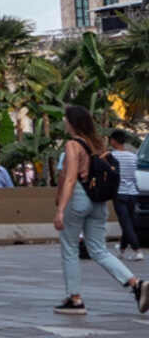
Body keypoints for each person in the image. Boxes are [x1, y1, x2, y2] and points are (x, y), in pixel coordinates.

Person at [53, 105, 149, 315]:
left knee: (69, 247)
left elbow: (70, 178)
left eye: (66, 119)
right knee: (98, 249)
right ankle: (135, 283)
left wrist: (60, 209)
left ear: (72, 122)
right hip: (98, 201)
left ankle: (75, 299)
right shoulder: (98, 144)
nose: (64, 123)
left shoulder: (73, 145)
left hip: (79, 197)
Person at [109, 130, 143, 261]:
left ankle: (137, 250)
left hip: (119, 193)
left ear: (114, 141)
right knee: (128, 222)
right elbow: (134, 175)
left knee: (125, 223)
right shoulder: (133, 156)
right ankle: (122, 250)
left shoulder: (112, 156)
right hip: (132, 193)